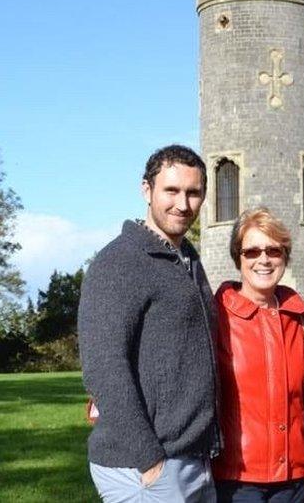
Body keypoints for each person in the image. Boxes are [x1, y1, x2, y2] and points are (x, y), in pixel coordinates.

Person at [78, 144, 219, 502]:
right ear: (147, 190)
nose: (183, 204)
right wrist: (149, 460)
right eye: (171, 191)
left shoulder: (185, 258)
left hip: (191, 460)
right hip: (146, 466)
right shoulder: (120, 262)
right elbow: (103, 368)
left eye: (193, 193)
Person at [212, 207, 304, 502]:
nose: (264, 260)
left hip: (296, 480)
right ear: (237, 257)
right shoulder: (217, 317)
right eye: (252, 252)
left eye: (273, 250)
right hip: (237, 481)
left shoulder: (303, 320)